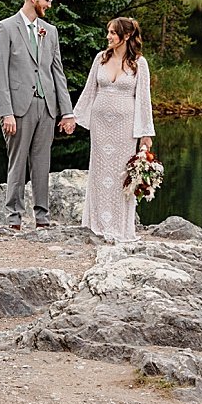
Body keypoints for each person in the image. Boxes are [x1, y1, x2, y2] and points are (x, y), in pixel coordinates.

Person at [0, 0, 74, 230]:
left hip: (46, 108)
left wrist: (66, 112)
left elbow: (57, 73)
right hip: (18, 109)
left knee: (42, 163)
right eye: (47, 0)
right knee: (17, 163)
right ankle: (13, 217)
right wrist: (6, 112)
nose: (49, 5)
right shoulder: (5, 28)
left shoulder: (50, 31)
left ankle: (42, 218)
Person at [67, 16, 155, 242]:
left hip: (125, 127)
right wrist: (73, 118)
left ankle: (119, 227)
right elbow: (89, 91)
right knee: (99, 171)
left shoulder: (139, 63)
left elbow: (144, 99)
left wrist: (145, 133)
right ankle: (96, 225)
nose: (108, 36)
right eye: (108, 32)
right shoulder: (101, 59)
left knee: (121, 174)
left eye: (113, 33)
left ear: (126, 36)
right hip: (100, 125)